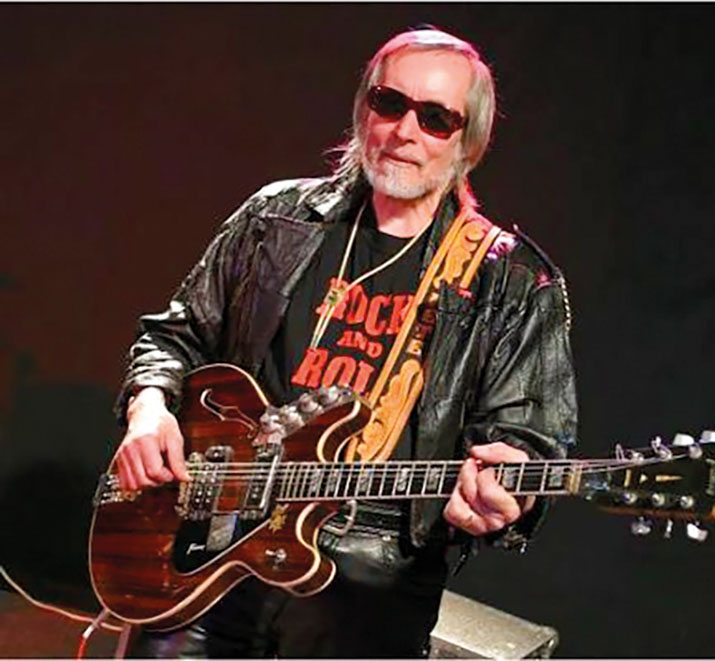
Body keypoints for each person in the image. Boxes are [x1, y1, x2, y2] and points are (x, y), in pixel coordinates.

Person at [114, 27, 577, 658]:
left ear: (468, 143)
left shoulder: (511, 281)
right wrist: (148, 409)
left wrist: (507, 490)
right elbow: (176, 334)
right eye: (391, 104)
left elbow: (526, 439)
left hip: (369, 575)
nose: (405, 131)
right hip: (211, 540)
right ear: (364, 109)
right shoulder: (275, 219)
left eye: (436, 118)